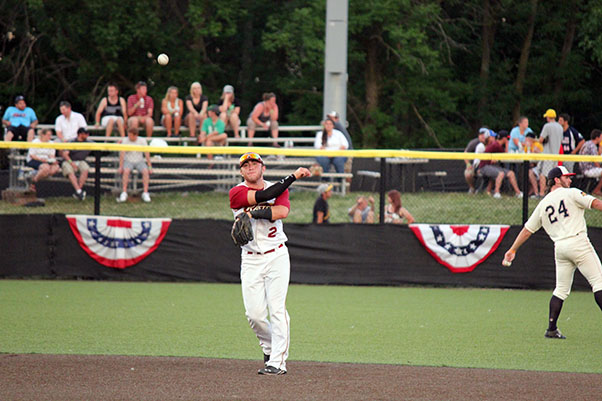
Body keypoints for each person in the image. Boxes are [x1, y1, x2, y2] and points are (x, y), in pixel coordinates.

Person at [229, 152, 311, 375]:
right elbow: (266, 195)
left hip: (276, 256)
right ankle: (269, 348)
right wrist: (293, 176)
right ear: (241, 171)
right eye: (245, 165)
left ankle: (277, 362)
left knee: (276, 309)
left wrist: (254, 214)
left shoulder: (280, 189)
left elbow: (281, 211)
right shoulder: (236, 192)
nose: (250, 167)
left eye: (254, 163)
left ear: (263, 168)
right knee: (254, 314)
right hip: (251, 259)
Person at [502, 166, 602, 340]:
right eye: (567, 177)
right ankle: (551, 329)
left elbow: (527, 230)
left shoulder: (543, 204)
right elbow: (596, 204)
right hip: (578, 242)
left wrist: (513, 249)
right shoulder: (571, 193)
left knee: (561, 289)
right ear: (557, 179)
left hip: (560, 248)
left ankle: (551, 328)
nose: (570, 180)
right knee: (599, 282)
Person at [477, 131, 523, 198]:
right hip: (484, 167)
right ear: (504, 138)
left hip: (492, 166)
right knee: (500, 173)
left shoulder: (497, 145)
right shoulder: (496, 145)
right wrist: (507, 144)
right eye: (507, 138)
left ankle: (518, 193)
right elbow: (506, 155)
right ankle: (496, 193)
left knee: (511, 173)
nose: (508, 140)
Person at [117, 127, 152, 203]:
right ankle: (124, 192)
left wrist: (149, 166)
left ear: (135, 135)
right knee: (126, 171)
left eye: (130, 135)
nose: (129, 137)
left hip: (140, 161)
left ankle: (145, 192)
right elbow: (122, 154)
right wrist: (120, 166)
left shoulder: (142, 140)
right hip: (128, 161)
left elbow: (147, 154)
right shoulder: (125, 140)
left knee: (145, 171)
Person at [61, 127, 93, 200]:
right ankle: (79, 191)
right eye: (86, 134)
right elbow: (65, 154)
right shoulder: (72, 142)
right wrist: (72, 163)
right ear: (80, 134)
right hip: (69, 161)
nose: (87, 135)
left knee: (85, 169)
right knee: (69, 171)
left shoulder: (89, 142)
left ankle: (78, 191)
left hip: (81, 161)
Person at [537, 108, 563, 196]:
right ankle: (552, 192)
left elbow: (541, 140)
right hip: (556, 155)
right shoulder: (560, 127)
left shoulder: (547, 126)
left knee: (543, 174)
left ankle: (541, 193)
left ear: (548, 117)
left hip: (547, 154)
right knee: (553, 175)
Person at [463, 127, 489, 194]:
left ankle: (486, 190)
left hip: (487, 165)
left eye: (484, 134)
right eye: (481, 134)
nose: (482, 136)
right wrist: (468, 164)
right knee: (468, 174)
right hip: (476, 165)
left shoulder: (491, 142)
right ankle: (472, 188)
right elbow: (465, 154)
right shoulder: (474, 142)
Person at [578, 129, 602, 196]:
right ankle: (597, 190)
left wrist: (600, 147)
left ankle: (595, 189)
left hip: (583, 168)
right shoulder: (592, 145)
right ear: (597, 137)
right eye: (601, 137)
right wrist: (599, 168)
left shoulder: (588, 143)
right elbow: (595, 160)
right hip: (588, 169)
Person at [523, 132, 544, 198]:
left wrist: (529, 148)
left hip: (541, 167)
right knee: (527, 171)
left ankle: (536, 193)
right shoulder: (527, 146)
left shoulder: (537, 144)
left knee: (530, 173)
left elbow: (535, 157)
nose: (525, 141)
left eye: (527, 139)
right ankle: (534, 192)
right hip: (534, 166)